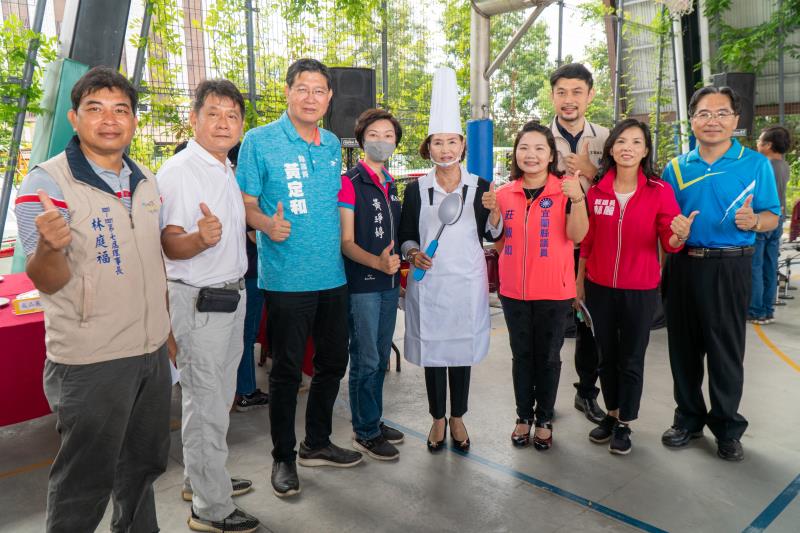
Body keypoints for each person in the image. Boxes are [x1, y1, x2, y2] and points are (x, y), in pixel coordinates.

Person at [14, 66, 173, 532]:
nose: (109, 119)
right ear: (74, 117)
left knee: (143, 468)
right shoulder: (46, 184)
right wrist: (47, 245)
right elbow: (46, 279)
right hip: (91, 359)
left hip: (149, 352)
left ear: (134, 121)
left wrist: (164, 332)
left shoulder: (145, 178)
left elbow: (151, 262)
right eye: (95, 109)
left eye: (120, 109)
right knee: (85, 481)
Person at [236, 58, 362, 499]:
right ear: (288, 92)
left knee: (332, 363)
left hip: (333, 276)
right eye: (303, 89)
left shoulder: (330, 144)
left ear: (329, 98)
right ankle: (283, 457)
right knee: (288, 372)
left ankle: (318, 442)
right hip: (287, 278)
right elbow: (245, 203)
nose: (311, 97)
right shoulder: (259, 141)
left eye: (319, 91)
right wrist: (266, 227)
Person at [158, 80, 260, 532]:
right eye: (214, 113)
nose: (224, 123)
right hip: (201, 301)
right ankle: (210, 508)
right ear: (194, 119)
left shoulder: (223, 166)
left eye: (232, 116)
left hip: (227, 297)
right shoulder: (183, 170)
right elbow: (169, 240)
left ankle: (200, 480)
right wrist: (199, 239)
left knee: (217, 399)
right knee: (207, 403)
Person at [660, 86, 781, 461]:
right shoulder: (676, 168)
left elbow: (773, 215)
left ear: (736, 120)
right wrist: (674, 234)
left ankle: (727, 427)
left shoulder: (755, 164)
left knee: (726, 350)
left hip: (731, 265)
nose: (712, 120)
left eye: (722, 113)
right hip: (683, 266)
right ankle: (688, 420)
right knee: (683, 348)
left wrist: (755, 220)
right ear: (692, 120)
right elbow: (665, 224)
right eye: (704, 113)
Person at [398, 67, 502, 453]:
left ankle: (458, 416)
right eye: (437, 142)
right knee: (433, 353)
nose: (445, 149)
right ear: (429, 147)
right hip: (430, 284)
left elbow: (491, 236)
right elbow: (406, 233)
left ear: (462, 144)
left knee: (459, 353)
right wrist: (412, 252)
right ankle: (437, 419)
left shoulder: (481, 188)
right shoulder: (416, 189)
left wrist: (494, 214)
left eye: (451, 141)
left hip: (465, 283)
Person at [578, 119, 691, 455]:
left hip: (639, 291)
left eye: (636, 142)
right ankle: (610, 415)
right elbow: (587, 241)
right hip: (598, 288)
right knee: (605, 357)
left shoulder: (659, 191)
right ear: (611, 148)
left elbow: (669, 242)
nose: (628, 148)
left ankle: (626, 422)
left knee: (631, 358)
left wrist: (680, 234)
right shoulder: (597, 191)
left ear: (645, 150)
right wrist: (578, 283)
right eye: (621, 141)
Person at [495, 121, 588, 451]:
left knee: (548, 357)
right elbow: (497, 241)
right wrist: (491, 217)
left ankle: (544, 418)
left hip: (554, 291)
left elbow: (578, 236)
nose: (530, 155)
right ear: (515, 153)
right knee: (521, 356)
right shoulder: (504, 194)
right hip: (513, 292)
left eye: (538, 148)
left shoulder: (565, 190)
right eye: (524, 148)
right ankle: (523, 416)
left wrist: (577, 200)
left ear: (551, 155)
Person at [338, 108, 405, 460]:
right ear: (362, 139)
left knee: (380, 356)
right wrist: (377, 262)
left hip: (389, 283)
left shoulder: (390, 183)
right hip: (363, 283)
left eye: (389, 136)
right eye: (375, 135)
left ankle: (373, 420)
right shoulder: (350, 182)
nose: (382, 141)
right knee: (364, 358)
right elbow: (346, 243)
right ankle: (364, 431)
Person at [548, 62, 610, 424]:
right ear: (553, 96)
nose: (568, 100)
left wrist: (593, 171)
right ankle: (545, 397)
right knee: (553, 326)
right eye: (561, 92)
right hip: (553, 245)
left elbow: (623, 184)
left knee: (591, 325)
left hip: (594, 247)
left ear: (590, 94)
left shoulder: (607, 137)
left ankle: (587, 393)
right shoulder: (539, 136)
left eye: (576, 92)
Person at [750, 125, 792, 324]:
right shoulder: (784, 165)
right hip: (779, 219)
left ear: (768, 145)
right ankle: (767, 309)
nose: (757, 143)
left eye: (760, 140)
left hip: (763, 220)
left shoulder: (763, 165)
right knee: (770, 265)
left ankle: (756, 311)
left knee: (755, 266)